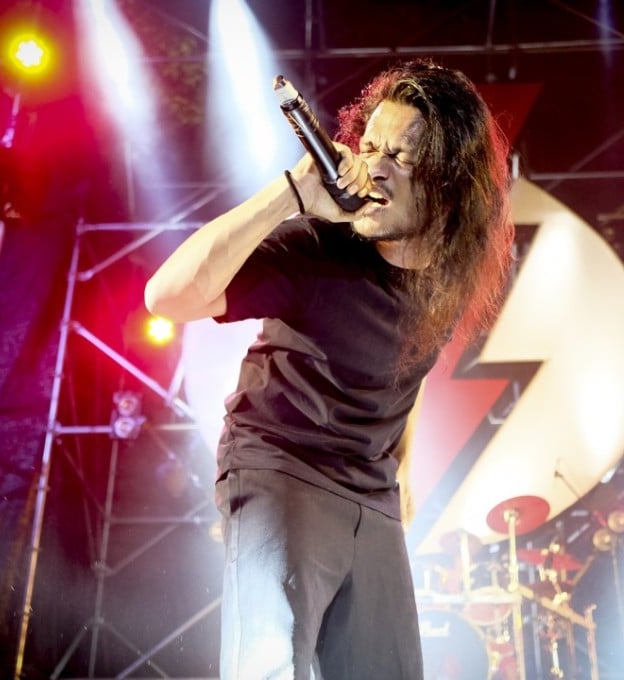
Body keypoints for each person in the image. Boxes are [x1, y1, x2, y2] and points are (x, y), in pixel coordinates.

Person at [144, 59, 514, 680]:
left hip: (368, 490)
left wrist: (403, 472)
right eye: (369, 146)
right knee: (270, 661)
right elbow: (166, 296)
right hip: (280, 464)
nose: (374, 167)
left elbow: (407, 372)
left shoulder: (448, 277)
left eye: (401, 156)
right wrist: (288, 193)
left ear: (448, 184)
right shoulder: (318, 250)